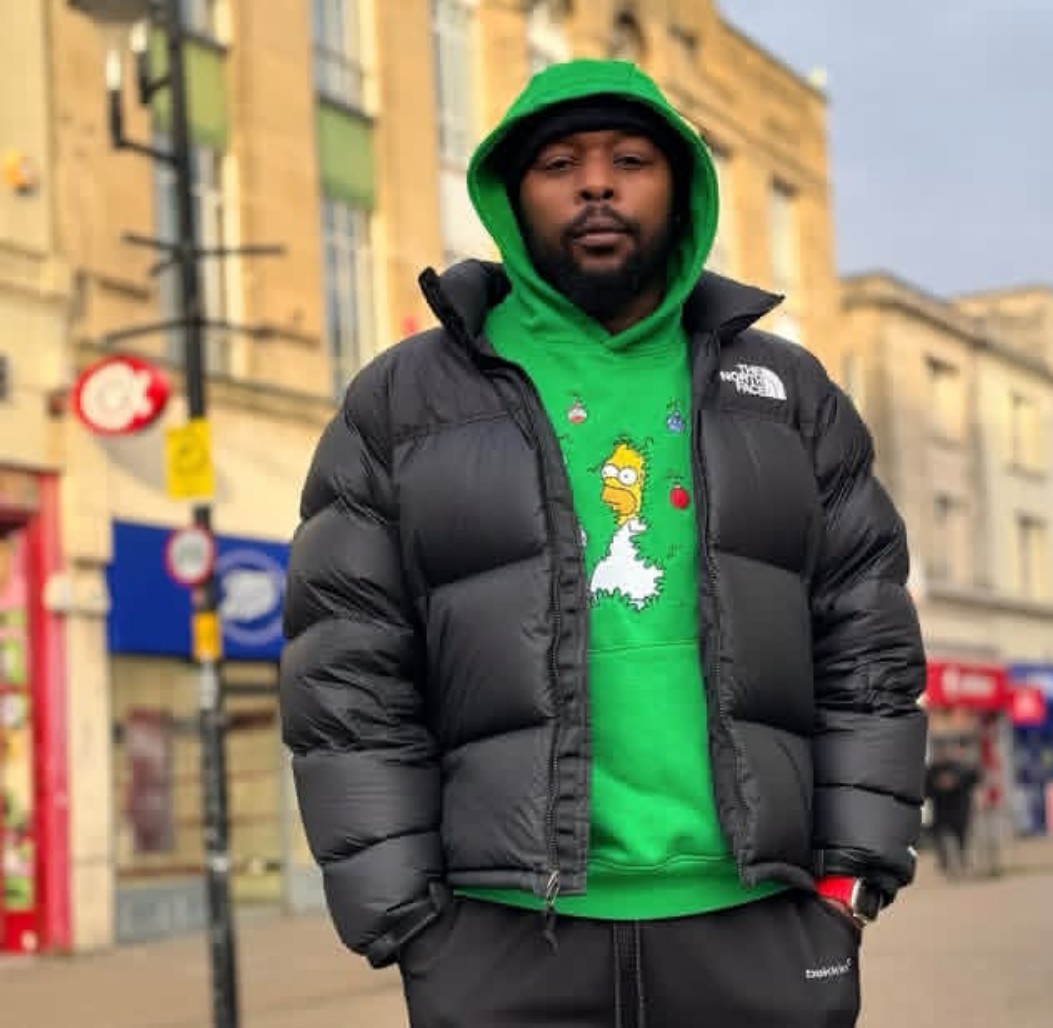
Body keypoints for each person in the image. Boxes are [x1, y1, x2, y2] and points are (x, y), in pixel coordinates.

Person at [281, 58, 927, 1027]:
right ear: (510, 196)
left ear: (682, 188)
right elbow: (347, 668)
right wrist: (407, 916)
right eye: (559, 163)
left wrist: (851, 879)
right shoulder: (404, 400)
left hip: (761, 922)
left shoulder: (788, 395)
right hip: (502, 937)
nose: (595, 184)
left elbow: (867, 644)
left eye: (629, 159)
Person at [923, 741, 980, 878]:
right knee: (939, 837)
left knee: (962, 839)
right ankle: (945, 864)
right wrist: (938, 785)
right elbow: (925, 790)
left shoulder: (961, 766)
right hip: (941, 811)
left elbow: (974, 778)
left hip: (960, 810)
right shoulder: (932, 770)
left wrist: (955, 781)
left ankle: (963, 863)